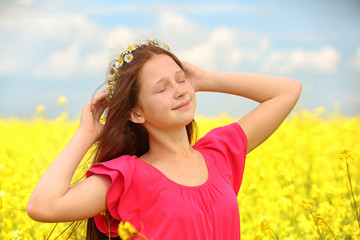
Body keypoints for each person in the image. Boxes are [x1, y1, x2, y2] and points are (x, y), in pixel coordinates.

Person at [27, 39, 302, 240]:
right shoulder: (129, 176)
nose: (180, 92)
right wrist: (86, 134)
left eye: (181, 80)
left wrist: (204, 78)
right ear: (136, 113)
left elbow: (288, 91)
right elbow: (43, 206)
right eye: (162, 88)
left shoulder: (218, 153)